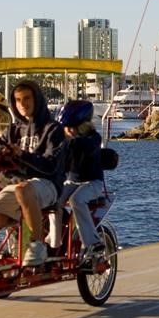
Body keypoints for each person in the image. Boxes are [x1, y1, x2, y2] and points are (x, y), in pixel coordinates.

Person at [0, 80, 66, 267]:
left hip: (48, 185)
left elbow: (51, 165)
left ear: (37, 99)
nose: (23, 104)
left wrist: (22, 155)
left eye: (27, 98)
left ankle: (37, 245)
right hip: (18, 185)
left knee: (23, 189)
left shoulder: (53, 129)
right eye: (18, 100)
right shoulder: (12, 131)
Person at [54, 100, 106, 260]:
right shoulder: (66, 141)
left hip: (93, 183)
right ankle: (54, 242)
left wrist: (68, 142)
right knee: (53, 200)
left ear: (81, 126)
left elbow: (85, 146)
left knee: (76, 199)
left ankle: (93, 242)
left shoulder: (93, 138)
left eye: (71, 128)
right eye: (66, 128)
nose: (68, 131)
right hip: (72, 182)